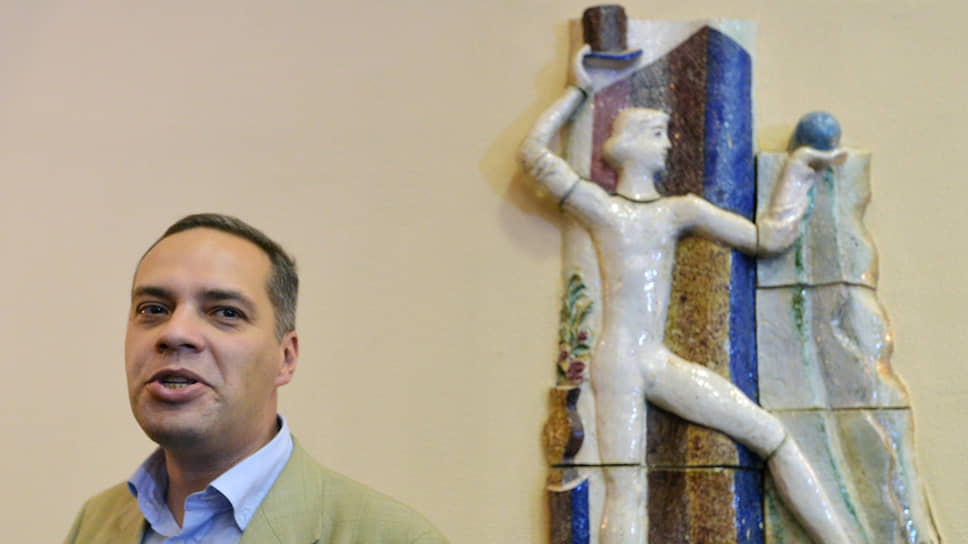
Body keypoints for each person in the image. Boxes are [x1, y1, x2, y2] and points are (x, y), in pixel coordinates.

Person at [519, 46, 850, 544]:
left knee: (770, 434)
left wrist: (799, 169)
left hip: (655, 360)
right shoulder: (605, 210)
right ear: (630, 145)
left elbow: (769, 238)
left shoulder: (680, 210)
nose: (669, 145)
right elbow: (533, 154)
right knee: (626, 488)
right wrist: (578, 88)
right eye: (657, 135)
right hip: (620, 364)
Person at [65, 214, 448, 544]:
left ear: (286, 358)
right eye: (153, 309)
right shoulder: (95, 523)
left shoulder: (394, 538)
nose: (175, 332)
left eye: (226, 312)